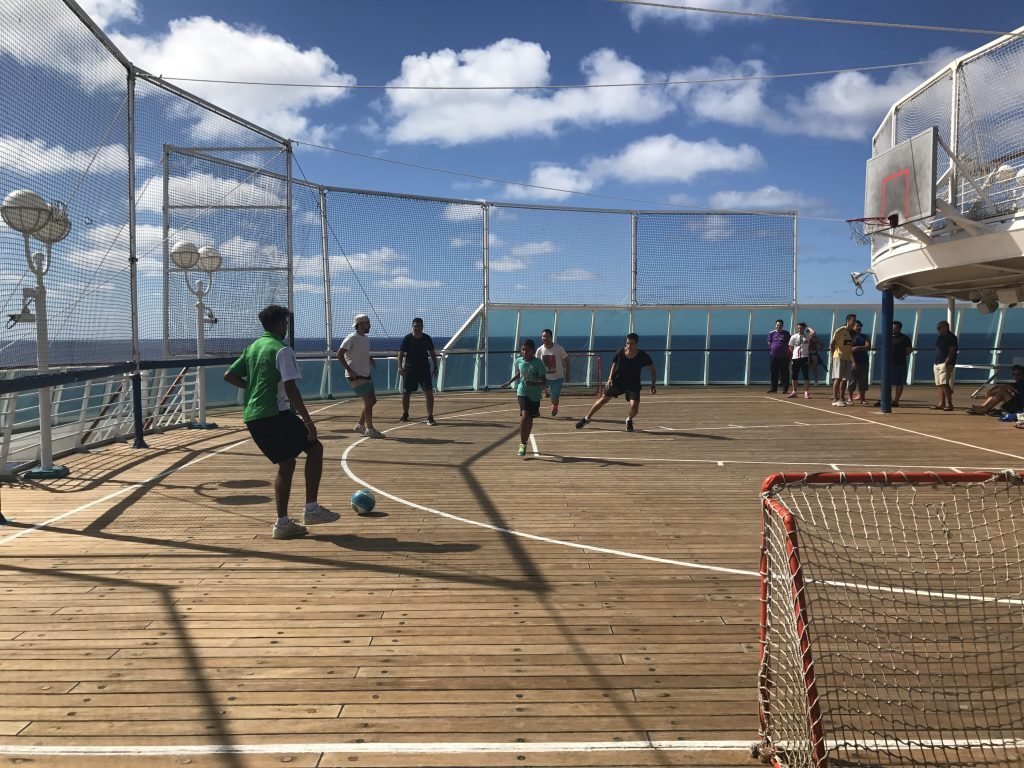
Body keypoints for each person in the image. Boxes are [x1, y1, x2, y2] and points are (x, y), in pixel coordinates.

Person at [224, 304, 335, 540]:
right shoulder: (282, 350)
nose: (286, 327)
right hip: (275, 412)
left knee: (286, 464)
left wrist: (251, 389)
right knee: (315, 449)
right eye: (285, 323)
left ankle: (282, 524)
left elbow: (229, 375)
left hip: (253, 417)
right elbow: (291, 387)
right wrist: (308, 421)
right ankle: (312, 509)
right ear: (280, 324)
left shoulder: (253, 347)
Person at [576, 333, 656, 432]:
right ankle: (586, 418)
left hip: (633, 384)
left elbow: (653, 370)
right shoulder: (620, 352)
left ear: (636, 344)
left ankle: (629, 419)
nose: (629, 346)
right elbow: (614, 365)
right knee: (603, 400)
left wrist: (653, 385)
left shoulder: (643, 356)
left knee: (634, 408)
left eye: (631, 344)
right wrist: (610, 378)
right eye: (627, 343)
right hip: (617, 381)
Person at [338, 313, 384, 438]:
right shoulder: (351, 338)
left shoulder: (365, 338)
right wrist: (349, 370)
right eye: (367, 323)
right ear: (360, 324)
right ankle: (370, 429)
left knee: (372, 401)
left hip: (366, 374)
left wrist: (371, 358)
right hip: (355, 376)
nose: (369, 325)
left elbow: (362, 351)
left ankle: (360, 425)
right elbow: (339, 354)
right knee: (368, 401)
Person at [502, 338, 547, 457]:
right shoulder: (519, 361)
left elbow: (544, 381)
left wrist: (534, 383)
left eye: (527, 350)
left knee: (530, 419)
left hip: (535, 394)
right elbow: (520, 374)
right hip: (522, 391)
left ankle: (525, 440)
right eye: (523, 349)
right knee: (524, 416)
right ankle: (522, 444)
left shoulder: (538, 363)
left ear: (533, 350)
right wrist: (509, 382)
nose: (524, 352)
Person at [398, 317, 438, 425]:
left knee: (429, 392)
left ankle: (430, 417)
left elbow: (432, 353)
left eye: (419, 326)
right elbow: (401, 354)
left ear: (422, 327)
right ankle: (405, 414)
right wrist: (400, 367)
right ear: (412, 326)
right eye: (415, 326)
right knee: (406, 393)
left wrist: (435, 366)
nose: (417, 328)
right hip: (410, 370)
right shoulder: (407, 338)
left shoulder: (427, 338)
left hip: (424, 369)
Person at [537, 328, 571, 417]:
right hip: (544, 378)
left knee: (554, 397)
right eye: (543, 336)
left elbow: (567, 360)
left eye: (547, 336)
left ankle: (554, 406)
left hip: (557, 378)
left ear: (551, 337)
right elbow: (536, 363)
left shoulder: (559, 348)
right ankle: (535, 409)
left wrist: (567, 374)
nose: (545, 338)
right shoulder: (539, 350)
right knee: (535, 393)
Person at [830, 314, 858, 407]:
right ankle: (835, 399)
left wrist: (852, 360)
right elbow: (832, 343)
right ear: (847, 321)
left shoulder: (853, 333)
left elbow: (850, 346)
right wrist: (832, 355)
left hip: (847, 357)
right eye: (853, 320)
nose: (854, 322)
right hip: (839, 356)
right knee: (838, 378)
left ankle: (842, 398)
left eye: (855, 320)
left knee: (845, 379)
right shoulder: (840, 330)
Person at [933, 319, 958, 411]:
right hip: (937, 363)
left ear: (945, 327)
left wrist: (946, 362)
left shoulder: (951, 337)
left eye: (939, 328)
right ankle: (942, 403)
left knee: (944, 383)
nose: (938, 330)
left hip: (945, 364)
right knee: (939, 384)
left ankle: (949, 404)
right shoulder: (940, 337)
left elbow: (952, 350)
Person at [888, 320, 914, 407]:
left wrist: (901, 355)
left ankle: (896, 401)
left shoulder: (904, 338)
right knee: (887, 382)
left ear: (899, 328)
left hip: (900, 363)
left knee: (899, 382)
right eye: (892, 328)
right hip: (888, 364)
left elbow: (909, 350)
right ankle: (886, 399)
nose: (893, 330)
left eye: (895, 328)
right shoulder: (887, 337)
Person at [847, 320, 872, 404]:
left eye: (860, 326)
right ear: (853, 327)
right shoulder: (849, 337)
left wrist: (858, 347)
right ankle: (850, 398)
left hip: (864, 361)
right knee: (852, 380)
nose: (859, 328)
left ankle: (862, 398)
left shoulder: (865, 336)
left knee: (863, 380)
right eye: (857, 326)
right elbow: (848, 350)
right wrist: (853, 362)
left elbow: (868, 347)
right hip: (852, 362)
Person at [786, 322, 813, 399]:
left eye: (801, 328)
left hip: (805, 358)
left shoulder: (807, 336)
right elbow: (790, 346)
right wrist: (794, 354)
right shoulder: (794, 337)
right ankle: (794, 392)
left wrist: (808, 327)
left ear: (804, 328)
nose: (799, 329)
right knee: (794, 375)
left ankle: (806, 392)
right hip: (795, 358)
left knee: (806, 375)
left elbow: (813, 332)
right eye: (798, 328)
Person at [767, 319, 791, 394]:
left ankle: (785, 389)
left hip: (784, 356)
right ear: (775, 325)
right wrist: (774, 349)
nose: (778, 326)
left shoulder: (786, 333)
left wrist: (789, 355)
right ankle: (773, 388)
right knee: (774, 372)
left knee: (784, 373)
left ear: (782, 326)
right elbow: (769, 343)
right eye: (777, 325)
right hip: (774, 356)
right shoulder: (772, 333)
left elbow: (790, 344)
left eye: (780, 325)